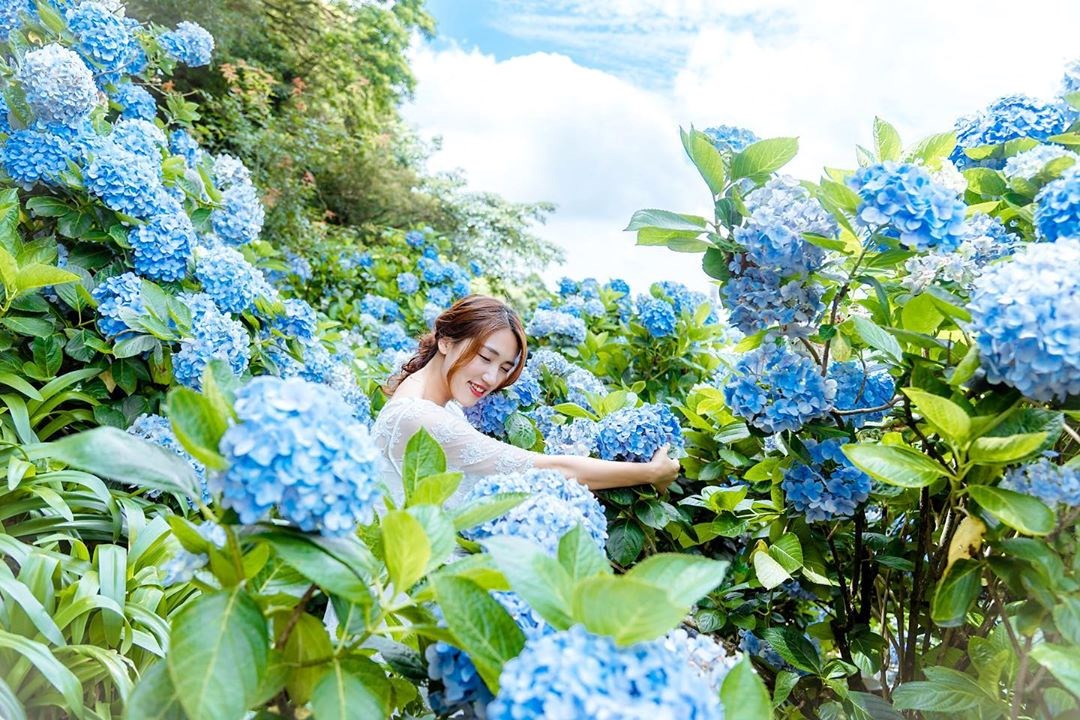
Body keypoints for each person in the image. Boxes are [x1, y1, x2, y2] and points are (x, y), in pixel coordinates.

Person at [371, 294, 681, 507]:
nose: (492, 379)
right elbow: (545, 468)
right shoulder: (420, 417)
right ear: (445, 341)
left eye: (505, 368)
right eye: (485, 357)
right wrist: (652, 472)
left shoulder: (440, 403)